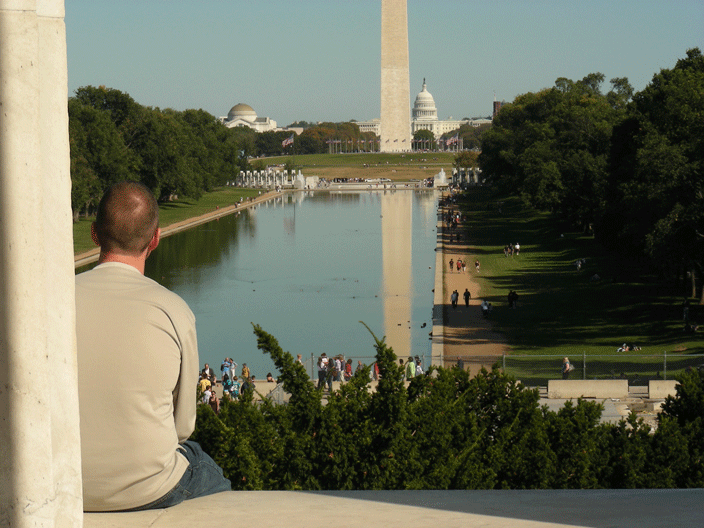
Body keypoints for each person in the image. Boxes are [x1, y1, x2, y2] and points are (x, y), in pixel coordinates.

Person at [75, 181, 230, 512]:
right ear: (156, 238)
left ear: (94, 234)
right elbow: (184, 427)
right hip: (149, 489)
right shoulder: (173, 310)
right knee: (206, 468)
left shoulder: (52, 300)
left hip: (61, 480)